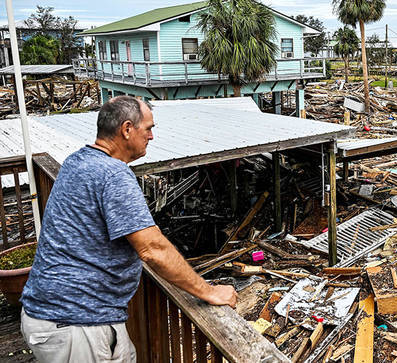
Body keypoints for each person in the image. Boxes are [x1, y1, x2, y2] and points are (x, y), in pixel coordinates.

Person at [20, 95, 237, 362]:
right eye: (149, 129)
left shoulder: (77, 161)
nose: (152, 137)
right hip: (75, 321)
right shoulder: (113, 174)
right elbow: (152, 249)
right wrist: (210, 292)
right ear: (126, 129)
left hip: (62, 315)